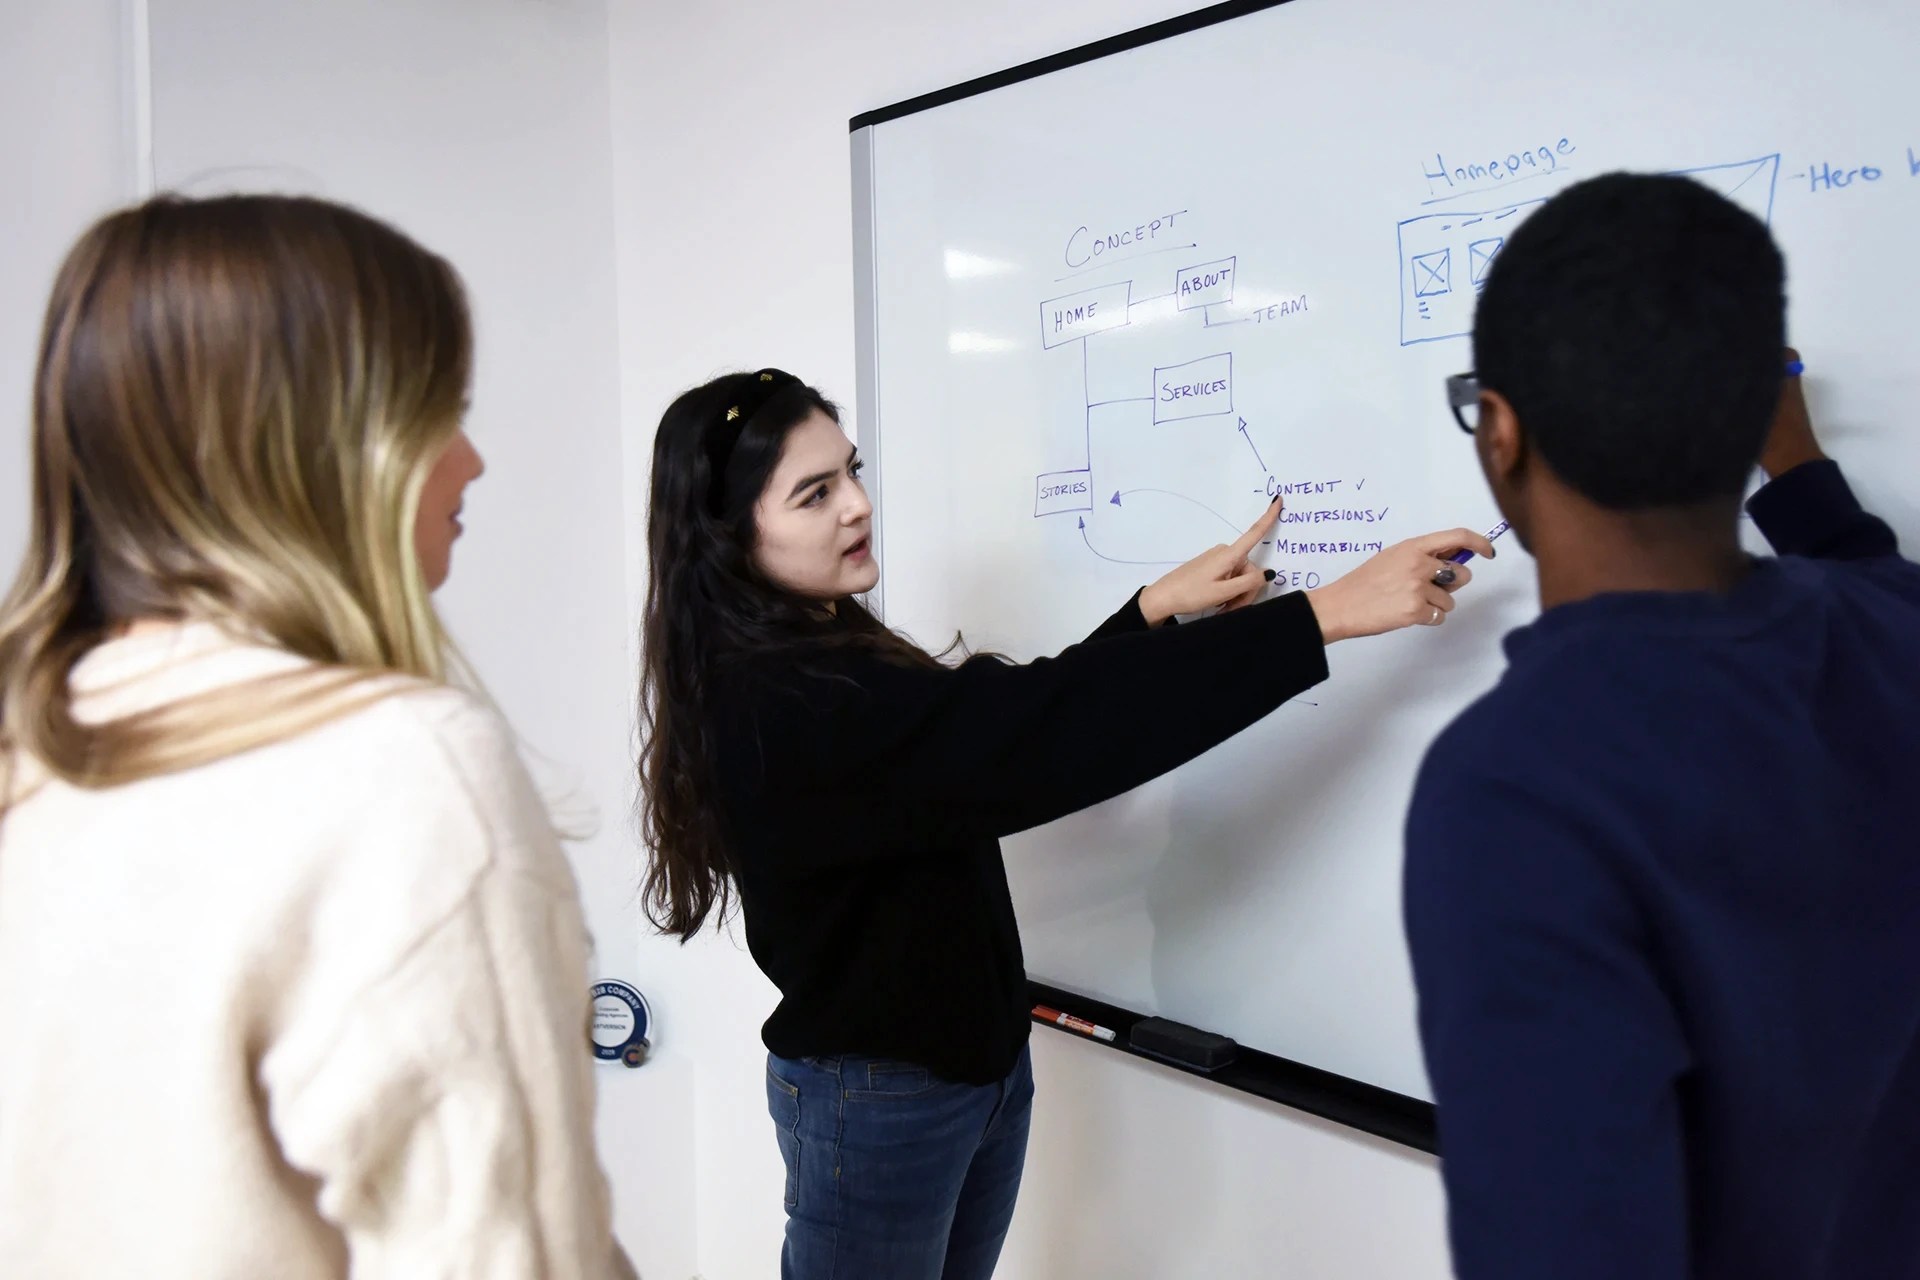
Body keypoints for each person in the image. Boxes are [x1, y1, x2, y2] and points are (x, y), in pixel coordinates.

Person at [637, 366, 1495, 1279]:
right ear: (729, 538)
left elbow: (980, 752)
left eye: (851, 470)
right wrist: (1322, 616)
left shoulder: (818, 639)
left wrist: (1149, 614)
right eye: (815, 494)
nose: (857, 505)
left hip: (972, 1069)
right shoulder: (780, 699)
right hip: (879, 1097)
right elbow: (1029, 741)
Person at [0, 195, 633, 1279]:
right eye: (446, 407)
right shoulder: (401, 772)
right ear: (318, 446)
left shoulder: (38, 750)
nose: (471, 461)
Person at [1404, 172, 1920, 1279]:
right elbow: (1866, 579)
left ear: (1499, 431)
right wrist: (1798, 466)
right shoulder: (1891, 633)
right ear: (1754, 416)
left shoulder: (1516, 783)